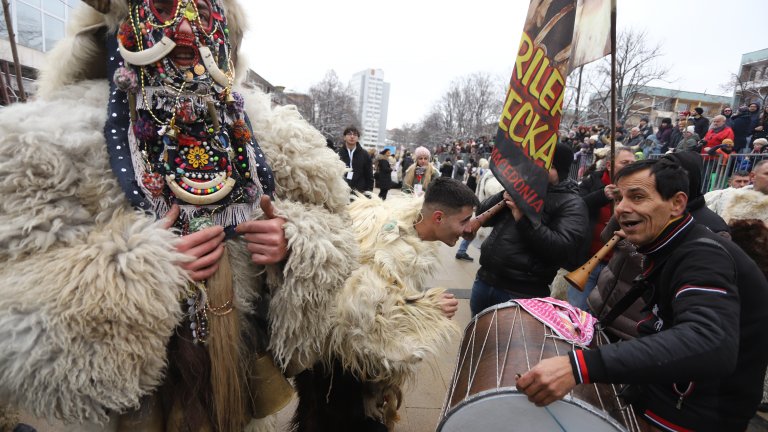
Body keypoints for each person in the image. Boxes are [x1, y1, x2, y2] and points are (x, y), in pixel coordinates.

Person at [0, 1, 357, 431]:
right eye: (167, 7)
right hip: (127, 409)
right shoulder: (47, 137)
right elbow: (16, 291)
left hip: (237, 392)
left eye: (203, 15)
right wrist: (141, 274)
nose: (187, 31)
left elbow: (337, 229)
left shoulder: (271, 133)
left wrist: (295, 244)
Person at [517, 158, 768, 432]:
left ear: (677, 204)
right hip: (666, 399)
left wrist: (580, 366)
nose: (623, 207)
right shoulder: (667, 245)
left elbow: (710, 341)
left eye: (637, 196)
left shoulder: (702, 255)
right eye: (621, 197)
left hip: (693, 416)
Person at [292, 178, 478, 431]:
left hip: (326, 355)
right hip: (339, 362)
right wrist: (426, 310)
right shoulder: (389, 249)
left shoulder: (402, 223)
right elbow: (359, 319)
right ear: (437, 217)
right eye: (464, 221)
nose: (469, 230)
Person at [469, 143, 589, 316]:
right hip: (484, 280)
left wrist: (522, 218)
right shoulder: (521, 186)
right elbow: (482, 215)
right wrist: (504, 193)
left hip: (521, 293)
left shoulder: (572, 204)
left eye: (548, 166)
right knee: (476, 339)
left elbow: (560, 249)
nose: (538, 169)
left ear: (560, 171)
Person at [567, 147, 635, 311]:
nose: (630, 166)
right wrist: (601, 196)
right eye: (625, 162)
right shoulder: (591, 182)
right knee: (576, 312)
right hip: (589, 261)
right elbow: (576, 206)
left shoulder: (638, 189)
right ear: (610, 165)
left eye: (633, 163)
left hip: (617, 267)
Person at [339, 126, 375, 195]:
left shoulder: (365, 154)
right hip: (341, 193)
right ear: (344, 137)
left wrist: (369, 193)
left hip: (359, 193)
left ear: (358, 138)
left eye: (355, 135)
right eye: (349, 134)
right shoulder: (338, 153)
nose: (352, 137)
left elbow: (369, 176)